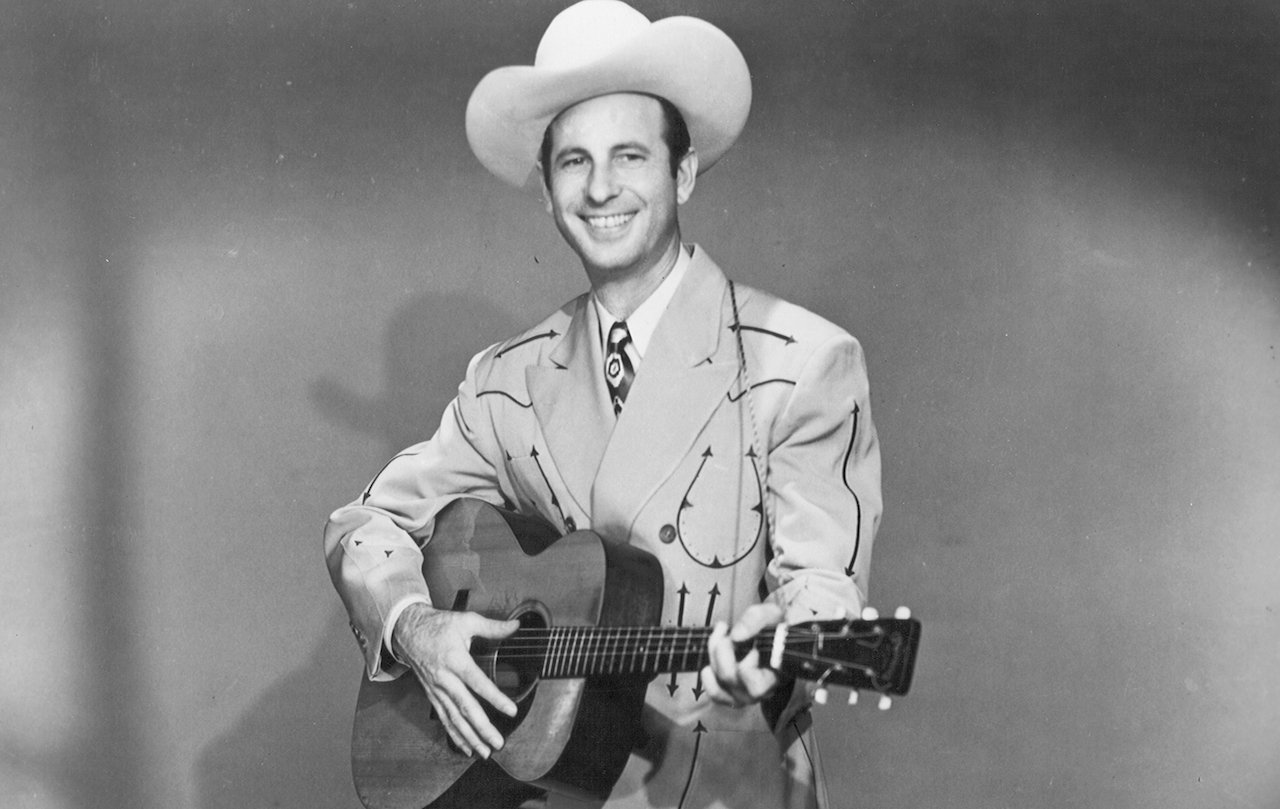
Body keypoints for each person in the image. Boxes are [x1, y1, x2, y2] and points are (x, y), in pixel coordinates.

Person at [324, 2, 882, 807]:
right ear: (547, 193)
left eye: (630, 155)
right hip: (560, 787)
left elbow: (822, 590)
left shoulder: (799, 364)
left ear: (681, 172)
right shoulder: (504, 382)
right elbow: (362, 524)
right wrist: (415, 627)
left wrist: (783, 647)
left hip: (729, 788)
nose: (601, 188)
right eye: (573, 162)